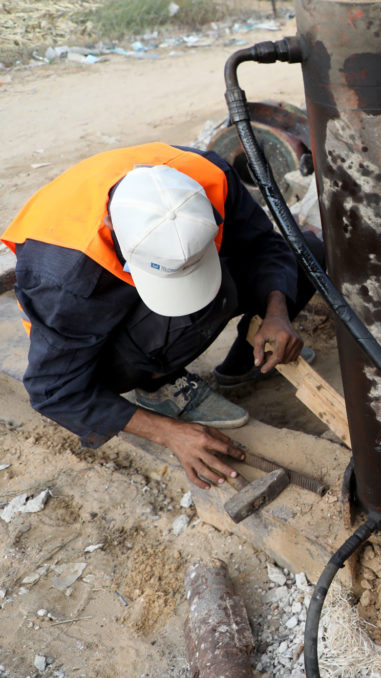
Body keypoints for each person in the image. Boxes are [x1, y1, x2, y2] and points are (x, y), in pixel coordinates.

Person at [3, 142, 324, 489]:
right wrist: (168, 433)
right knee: (203, 307)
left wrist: (277, 312)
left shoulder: (206, 177)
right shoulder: (64, 278)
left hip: (134, 269)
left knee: (309, 256)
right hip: (93, 342)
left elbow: (262, 243)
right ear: (114, 228)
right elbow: (53, 389)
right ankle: (158, 386)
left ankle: (249, 361)